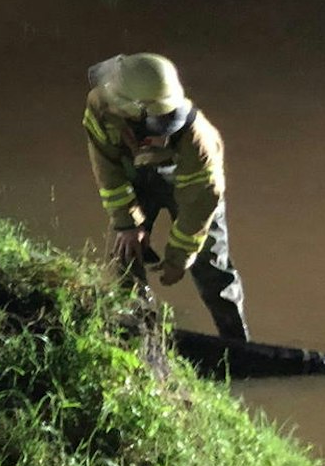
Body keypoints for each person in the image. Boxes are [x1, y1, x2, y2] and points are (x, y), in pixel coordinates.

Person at [83, 53, 250, 340]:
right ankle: (136, 333)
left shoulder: (199, 140)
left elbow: (200, 203)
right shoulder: (101, 107)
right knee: (124, 257)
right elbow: (107, 169)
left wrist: (179, 257)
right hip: (136, 179)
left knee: (212, 267)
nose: (164, 125)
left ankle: (237, 344)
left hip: (189, 184)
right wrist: (127, 223)